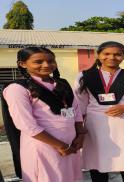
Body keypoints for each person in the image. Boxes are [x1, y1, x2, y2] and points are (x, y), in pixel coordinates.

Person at [2, 47, 84, 182]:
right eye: (38, 62)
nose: (46, 65)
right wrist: (61, 146)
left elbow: (76, 111)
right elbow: (26, 124)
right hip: (43, 145)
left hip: (70, 143)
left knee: (69, 177)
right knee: (48, 177)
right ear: (22, 64)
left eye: (51, 61)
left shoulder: (61, 83)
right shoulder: (17, 88)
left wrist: (80, 135)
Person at [74, 41, 124, 182]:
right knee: (98, 160)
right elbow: (80, 103)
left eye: (117, 54)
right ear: (99, 55)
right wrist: (79, 127)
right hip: (95, 124)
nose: (112, 57)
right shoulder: (84, 76)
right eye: (106, 54)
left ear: (123, 56)